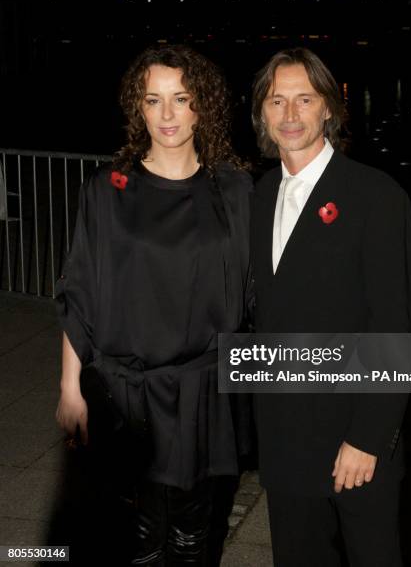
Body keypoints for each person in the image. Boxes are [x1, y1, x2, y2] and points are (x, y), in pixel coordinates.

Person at [55, 44, 253, 566]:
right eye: (153, 100)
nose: (167, 115)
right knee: (135, 540)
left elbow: (262, 287)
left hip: (200, 391)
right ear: (136, 108)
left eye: (181, 98)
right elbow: (80, 293)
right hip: (125, 394)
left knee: (193, 538)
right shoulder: (107, 190)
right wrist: (69, 388)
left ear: (201, 105)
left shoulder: (233, 189)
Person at [250, 47, 411, 567]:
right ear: (262, 114)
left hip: (354, 441)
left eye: (305, 99)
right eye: (277, 101)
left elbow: (397, 327)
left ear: (329, 107)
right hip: (284, 442)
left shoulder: (375, 196)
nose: (290, 114)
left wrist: (368, 438)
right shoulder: (260, 195)